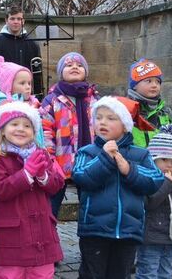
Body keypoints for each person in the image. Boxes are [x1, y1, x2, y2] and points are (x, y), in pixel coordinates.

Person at [72, 96, 165, 278]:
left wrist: (130, 170)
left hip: (128, 231)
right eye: (98, 117)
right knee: (91, 274)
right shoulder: (87, 152)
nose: (102, 122)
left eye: (111, 118)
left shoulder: (141, 154)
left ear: (125, 125)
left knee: (120, 274)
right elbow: (82, 176)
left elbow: (155, 179)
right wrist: (104, 158)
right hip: (94, 230)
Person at [0, 101, 64, 278]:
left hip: (42, 232)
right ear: (3, 130)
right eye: (14, 124)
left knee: (42, 272)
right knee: (11, 274)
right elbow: (0, 190)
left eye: (27, 126)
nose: (21, 129)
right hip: (13, 233)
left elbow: (55, 186)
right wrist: (26, 174)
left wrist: (42, 176)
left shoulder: (41, 154)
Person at [41, 52, 98, 218]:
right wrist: (50, 159)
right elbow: (45, 130)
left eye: (79, 65)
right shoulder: (52, 99)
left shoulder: (94, 98)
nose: (75, 67)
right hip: (61, 162)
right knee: (50, 208)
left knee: (90, 210)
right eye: (69, 65)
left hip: (89, 162)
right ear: (61, 72)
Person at [135, 125, 172, 279]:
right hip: (151, 237)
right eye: (164, 160)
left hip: (171, 238)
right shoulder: (150, 179)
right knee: (148, 272)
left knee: (166, 272)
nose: (169, 165)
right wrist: (167, 184)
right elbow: (150, 203)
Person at [0, 5, 41, 97]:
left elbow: (37, 71)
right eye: (12, 19)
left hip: (26, 96)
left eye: (19, 19)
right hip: (0, 95)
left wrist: (37, 95)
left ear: (23, 21)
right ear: (6, 21)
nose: (16, 22)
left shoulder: (32, 44)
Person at [0, 55, 42, 147]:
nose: (28, 87)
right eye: (22, 83)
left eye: (29, 83)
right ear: (8, 86)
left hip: (33, 158)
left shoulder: (33, 108)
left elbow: (39, 138)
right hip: (4, 158)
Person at [126, 58, 172, 147]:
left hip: (162, 159)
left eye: (158, 82)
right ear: (134, 86)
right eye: (148, 81)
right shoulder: (125, 111)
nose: (154, 85)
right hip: (133, 160)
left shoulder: (166, 112)